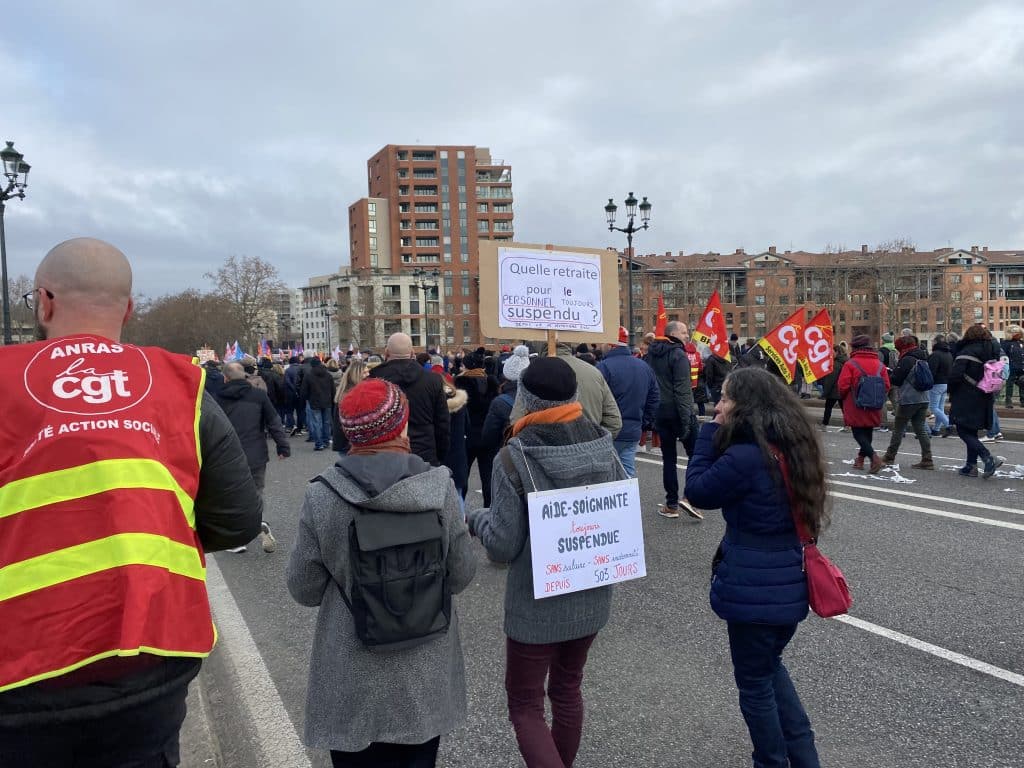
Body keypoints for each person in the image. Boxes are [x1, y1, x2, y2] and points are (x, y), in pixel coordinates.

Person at [0, 238, 261, 767]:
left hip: (21, 668)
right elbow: (237, 522)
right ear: (129, 307)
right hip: (152, 653)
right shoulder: (181, 385)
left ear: (43, 302)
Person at [287, 378, 477, 767]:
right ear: (401, 426)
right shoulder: (439, 488)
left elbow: (303, 589)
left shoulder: (323, 495)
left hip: (351, 669)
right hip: (424, 667)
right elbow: (460, 575)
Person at [468, 357, 626, 768]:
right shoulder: (602, 442)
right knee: (568, 689)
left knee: (525, 704)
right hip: (591, 591)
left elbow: (502, 545)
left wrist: (477, 517)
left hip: (536, 603)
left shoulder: (514, 455)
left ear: (525, 399)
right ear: (574, 395)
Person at [684, 367, 824, 768]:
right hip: (789, 581)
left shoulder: (746, 456)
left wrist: (709, 434)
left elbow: (698, 491)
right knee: (769, 668)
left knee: (755, 684)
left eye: (726, 398)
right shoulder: (795, 446)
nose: (719, 405)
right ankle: (803, 755)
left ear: (746, 407)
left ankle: (772, 761)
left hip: (753, 588)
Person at [215, 362, 291, 552]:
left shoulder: (217, 398)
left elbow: (209, 428)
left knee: (231, 495)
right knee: (256, 491)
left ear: (225, 378)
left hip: (228, 455)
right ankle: (258, 522)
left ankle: (237, 540)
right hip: (256, 452)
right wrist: (283, 446)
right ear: (245, 377)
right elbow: (274, 422)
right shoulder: (259, 396)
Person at [647, 321, 702, 519]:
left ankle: (671, 504)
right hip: (679, 412)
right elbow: (682, 389)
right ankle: (690, 498)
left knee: (668, 459)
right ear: (673, 334)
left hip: (661, 413)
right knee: (696, 456)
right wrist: (687, 419)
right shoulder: (678, 355)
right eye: (684, 331)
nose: (687, 335)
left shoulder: (651, 354)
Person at [508, 342, 622, 439]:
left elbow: (516, 420)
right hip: (589, 453)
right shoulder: (594, 372)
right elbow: (614, 421)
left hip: (542, 454)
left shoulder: (532, 374)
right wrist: (595, 443)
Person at [370, 333, 450, 466]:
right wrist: (440, 455)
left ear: (386, 353)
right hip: (424, 453)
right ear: (412, 352)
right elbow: (442, 423)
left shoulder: (373, 381)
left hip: (385, 455)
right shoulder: (433, 380)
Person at [597, 326, 659, 478]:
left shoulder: (603, 367)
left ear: (611, 345)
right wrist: (644, 422)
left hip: (609, 431)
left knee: (605, 474)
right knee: (627, 473)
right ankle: (630, 501)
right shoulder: (644, 366)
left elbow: (597, 399)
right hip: (633, 430)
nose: (600, 346)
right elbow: (654, 397)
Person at [949, 325, 1004, 478]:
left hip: (966, 395)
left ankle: (987, 457)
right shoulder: (992, 350)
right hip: (985, 394)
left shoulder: (966, 351)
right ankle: (970, 466)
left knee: (962, 429)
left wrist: (951, 391)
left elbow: (956, 375)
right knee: (971, 430)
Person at [837, 334, 891, 474]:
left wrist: (844, 398)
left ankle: (874, 457)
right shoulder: (880, 364)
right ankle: (860, 460)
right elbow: (886, 385)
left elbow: (843, 385)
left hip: (855, 403)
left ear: (855, 347)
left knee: (858, 432)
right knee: (868, 431)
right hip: (874, 402)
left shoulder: (851, 364)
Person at [880, 336, 934, 470]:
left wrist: (891, 373)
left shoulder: (906, 359)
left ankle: (889, 456)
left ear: (903, 348)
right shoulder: (923, 357)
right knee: (920, 428)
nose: (898, 352)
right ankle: (927, 459)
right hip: (924, 398)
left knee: (898, 428)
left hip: (909, 399)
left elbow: (896, 380)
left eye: (899, 349)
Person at [455, 352, 499, 505]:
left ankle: (459, 514)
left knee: (461, 476)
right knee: (488, 477)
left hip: (467, 436)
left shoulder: (460, 384)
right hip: (488, 435)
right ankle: (490, 512)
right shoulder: (492, 384)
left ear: (466, 366)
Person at [479, 345, 530, 474]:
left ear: (506, 376)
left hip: (506, 458)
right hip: (530, 459)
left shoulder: (499, 402)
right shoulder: (536, 397)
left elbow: (488, 437)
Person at [331, 359, 369, 457]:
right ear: (356, 374)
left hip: (346, 442)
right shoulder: (351, 394)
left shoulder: (347, 391)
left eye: (368, 371)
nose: (368, 374)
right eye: (364, 372)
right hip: (350, 443)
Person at [301, 357, 337, 451]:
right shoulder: (328, 375)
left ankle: (319, 444)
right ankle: (326, 441)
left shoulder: (309, 375)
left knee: (317, 423)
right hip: (327, 401)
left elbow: (304, 390)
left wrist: (306, 398)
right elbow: (333, 389)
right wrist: (333, 399)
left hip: (314, 401)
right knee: (326, 422)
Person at [926, 334, 953, 437]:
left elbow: (931, 371)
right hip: (946, 383)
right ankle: (936, 429)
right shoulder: (949, 354)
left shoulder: (935, 355)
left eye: (933, 341)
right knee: (940, 408)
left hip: (936, 383)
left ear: (936, 342)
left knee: (933, 407)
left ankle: (948, 424)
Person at [818, 345, 848, 430]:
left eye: (832, 352)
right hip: (843, 389)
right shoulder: (846, 361)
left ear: (837, 352)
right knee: (844, 409)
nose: (830, 353)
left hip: (834, 390)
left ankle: (824, 424)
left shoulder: (835, 364)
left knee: (828, 408)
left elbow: (830, 379)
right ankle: (848, 425)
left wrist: (825, 392)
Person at [877, 332, 899, 432]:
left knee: (882, 402)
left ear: (884, 340)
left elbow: (878, 365)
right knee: (896, 402)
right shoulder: (896, 350)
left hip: (884, 379)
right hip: (894, 378)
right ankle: (900, 423)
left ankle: (883, 424)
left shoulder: (882, 351)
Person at [1001, 325, 1024, 408]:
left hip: (1021, 366)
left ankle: (1023, 400)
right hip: (1011, 367)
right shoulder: (1006, 343)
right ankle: (1008, 401)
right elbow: (1003, 355)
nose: (1018, 334)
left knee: (1022, 383)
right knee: (1010, 384)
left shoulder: (1021, 343)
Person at [285, 355, 307, 436]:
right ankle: (299, 428)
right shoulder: (301, 369)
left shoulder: (287, 370)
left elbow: (287, 382)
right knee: (300, 411)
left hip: (290, 394)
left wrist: (293, 389)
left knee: (289, 411)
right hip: (300, 393)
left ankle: (292, 425)